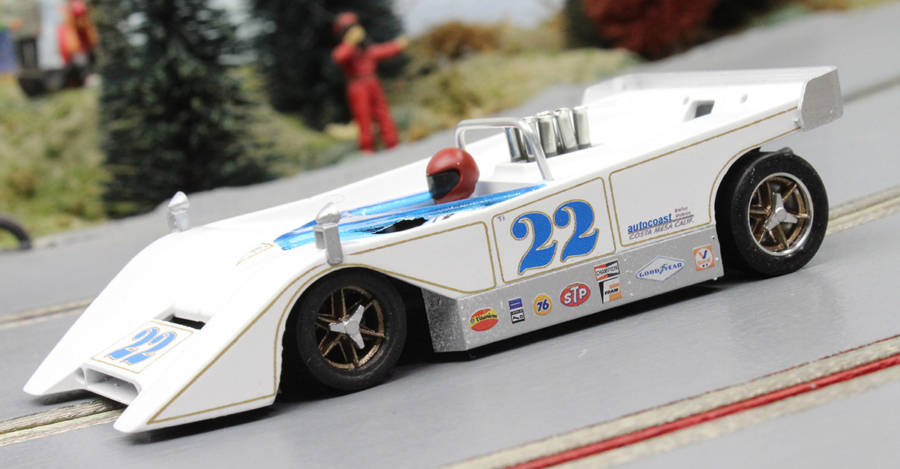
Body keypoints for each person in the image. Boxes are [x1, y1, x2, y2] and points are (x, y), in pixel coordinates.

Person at [332, 12, 408, 153]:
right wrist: (350, 42)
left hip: (372, 82)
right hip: (357, 85)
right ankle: (367, 149)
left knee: (382, 112)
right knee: (363, 117)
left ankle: (392, 143)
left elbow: (382, 50)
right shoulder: (346, 49)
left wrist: (398, 45)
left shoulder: (366, 50)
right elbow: (339, 57)